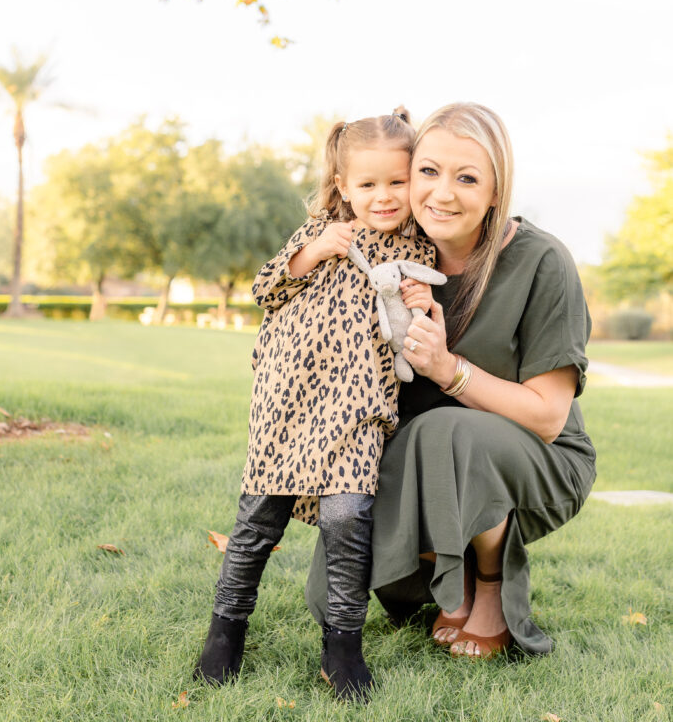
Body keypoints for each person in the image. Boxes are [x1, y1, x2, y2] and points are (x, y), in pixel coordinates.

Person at [305, 102, 596, 659]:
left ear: (495, 192)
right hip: (421, 458)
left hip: (540, 458)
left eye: (467, 178)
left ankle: (489, 586)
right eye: (429, 171)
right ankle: (449, 573)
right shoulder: (387, 249)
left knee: (450, 430)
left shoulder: (543, 262)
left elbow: (548, 416)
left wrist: (450, 371)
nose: (442, 193)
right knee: (340, 570)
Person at [195, 110, 441, 700]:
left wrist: (423, 301)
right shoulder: (324, 233)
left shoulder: (420, 247)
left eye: (397, 182)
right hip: (288, 398)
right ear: (342, 186)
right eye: (367, 185)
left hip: (359, 403)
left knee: (348, 517)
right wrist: (312, 253)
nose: (382, 197)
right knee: (259, 518)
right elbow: (263, 287)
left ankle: (342, 645)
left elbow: (421, 325)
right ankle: (226, 628)